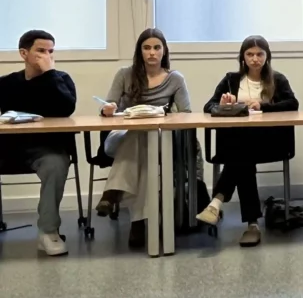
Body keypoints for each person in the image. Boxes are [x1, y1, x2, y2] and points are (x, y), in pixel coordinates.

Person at [197, 35, 298, 247]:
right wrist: (223, 105)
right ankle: (252, 225)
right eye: (250, 54)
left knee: (241, 154)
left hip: (269, 143)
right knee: (243, 157)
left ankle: (217, 202)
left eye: (260, 54)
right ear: (242, 57)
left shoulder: (277, 79)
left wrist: (263, 106)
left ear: (267, 56)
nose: (255, 59)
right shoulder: (231, 80)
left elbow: (292, 104)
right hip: (238, 145)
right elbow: (208, 106)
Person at [95, 28, 193, 248]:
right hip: (120, 139)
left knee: (146, 147)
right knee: (139, 136)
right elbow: (107, 107)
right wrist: (107, 109)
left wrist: (165, 116)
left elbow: (186, 114)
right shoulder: (124, 74)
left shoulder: (175, 79)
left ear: (164, 51)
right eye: (146, 48)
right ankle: (138, 220)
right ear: (139, 51)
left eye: (156, 48)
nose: (152, 53)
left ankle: (118, 200)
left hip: (157, 139)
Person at [0, 30, 77, 256]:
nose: (47, 56)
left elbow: (67, 108)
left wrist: (50, 73)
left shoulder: (60, 79)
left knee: (56, 165)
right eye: (41, 51)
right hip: (8, 148)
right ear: (24, 53)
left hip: (45, 148)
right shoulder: (7, 83)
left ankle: (48, 232)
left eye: (51, 51)